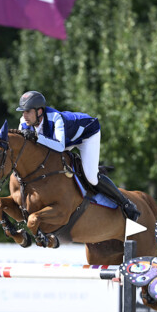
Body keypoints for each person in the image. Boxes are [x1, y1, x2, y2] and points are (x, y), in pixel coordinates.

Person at [16, 90, 141, 221]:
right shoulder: (23, 122)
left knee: (91, 178)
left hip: (87, 135)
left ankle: (126, 203)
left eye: (28, 111)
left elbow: (59, 146)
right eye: (23, 112)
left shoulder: (55, 118)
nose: (24, 115)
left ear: (39, 111)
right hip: (66, 139)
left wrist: (37, 137)